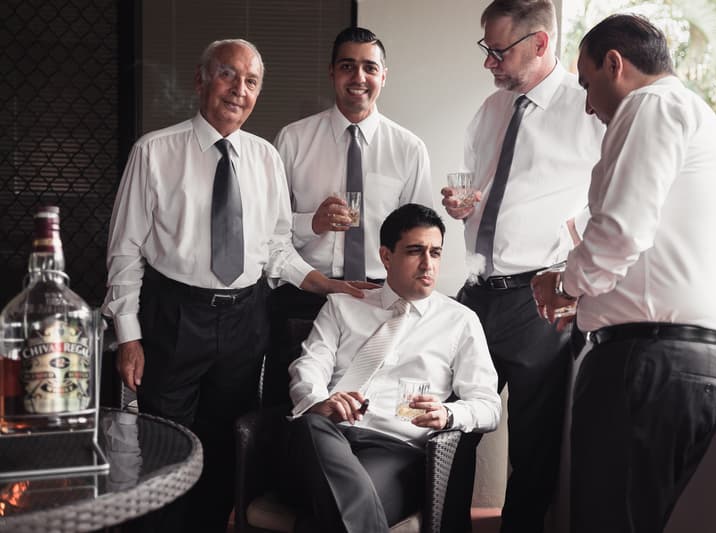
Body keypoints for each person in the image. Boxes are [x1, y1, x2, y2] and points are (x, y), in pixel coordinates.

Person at [103, 38, 371, 533]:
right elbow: (124, 251)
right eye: (229, 75)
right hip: (174, 317)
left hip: (247, 318)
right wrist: (128, 336)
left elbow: (275, 247)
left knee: (229, 445)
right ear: (201, 80)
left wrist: (322, 284)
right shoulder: (155, 151)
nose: (239, 90)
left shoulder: (266, 157)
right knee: (166, 444)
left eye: (251, 82)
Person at [531, 14, 716, 533]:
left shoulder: (649, 105)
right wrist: (584, 294)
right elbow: (648, 249)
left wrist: (562, 284)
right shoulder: (699, 120)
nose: (587, 104)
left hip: (644, 363)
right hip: (696, 364)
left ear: (614, 64)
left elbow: (621, 233)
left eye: (587, 84)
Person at [440, 1, 604, 531]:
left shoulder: (590, 109)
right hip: (476, 294)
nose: (489, 62)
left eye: (498, 50)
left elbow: (611, 201)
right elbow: (485, 188)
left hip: (540, 301)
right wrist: (465, 207)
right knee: (450, 430)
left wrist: (572, 266)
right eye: (485, 48)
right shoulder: (490, 111)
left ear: (539, 43)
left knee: (533, 447)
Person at [284, 203, 501, 532]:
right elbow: (308, 366)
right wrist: (319, 403)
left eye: (436, 253)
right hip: (326, 437)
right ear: (386, 256)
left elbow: (489, 406)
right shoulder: (343, 305)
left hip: (395, 452)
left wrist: (449, 413)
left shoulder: (460, 321)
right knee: (310, 424)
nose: (428, 264)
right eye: (416, 251)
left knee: (321, 519)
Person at [273, 26, 433, 322]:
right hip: (304, 294)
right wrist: (313, 223)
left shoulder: (409, 149)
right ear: (332, 72)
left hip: (381, 298)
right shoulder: (292, 140)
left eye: (369, 68)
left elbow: (420, 239)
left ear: (383, 75)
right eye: (348, 66)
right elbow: (270, 232)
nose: (358, 77)